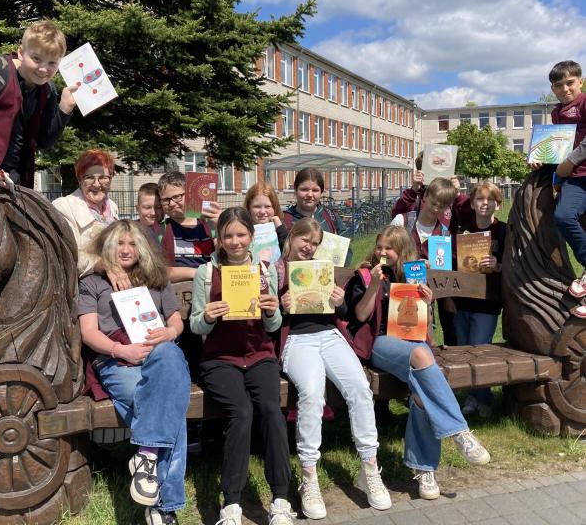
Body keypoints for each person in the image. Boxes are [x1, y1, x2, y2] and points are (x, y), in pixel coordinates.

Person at [344, 226, 491, 501]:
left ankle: (424, 470)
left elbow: (426, 336)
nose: (382, 252)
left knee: (422, 392)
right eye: (379, 247)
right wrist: (374, 285)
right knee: (423, 358)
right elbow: (361, 317)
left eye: (389, 248)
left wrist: (427, 303)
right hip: (379, 343)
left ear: (402, 251)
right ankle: (459, 432)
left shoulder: (412, 276)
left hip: (412, 343)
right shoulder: (364, 275)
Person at [78, 220, 190, 525]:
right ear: (108, 246)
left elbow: (176, 319)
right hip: (116, 360)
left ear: (142, 247)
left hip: (159, 356)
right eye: (119, 243)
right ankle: (163, 505)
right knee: (171, 408)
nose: (126, 250)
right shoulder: (92, 282)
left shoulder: (156, 279)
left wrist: (170, 332)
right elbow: (88, 332)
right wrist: (120, 351)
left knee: (169, 355)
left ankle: (147, 457)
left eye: (132, 244)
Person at [278, 218, 391, 519]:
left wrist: (339, 302)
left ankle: (369, 468)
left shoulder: (320, 268)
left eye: (314, 243)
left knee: (360, 388)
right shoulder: (276, 269)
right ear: (292, 238)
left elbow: (340, 313)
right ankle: (309, 476)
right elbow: (266, 320)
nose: (309, 247)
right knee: (312, 394)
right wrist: (280, 304)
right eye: (304, 240)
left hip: (328, 336)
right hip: (298, 341)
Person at [189, 207, 295, 525]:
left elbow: (274, 326)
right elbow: (196, 326)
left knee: (272, 410)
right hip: (221, 360)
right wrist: (208, 315)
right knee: (241, 412)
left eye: (241, 235)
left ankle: (280, 499)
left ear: (251, 236)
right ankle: (231, 503)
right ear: (219, 238)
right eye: (228, 235)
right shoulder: (206, 274)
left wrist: (271, 310)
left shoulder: (265, 270)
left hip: (259, 355)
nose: (235, 242)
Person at [0, 19, 77, 188]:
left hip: (15, 183)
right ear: (21, 52)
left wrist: (65, 109)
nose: (43, 69)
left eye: (52, 63)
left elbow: (43, 141)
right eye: (36, 59)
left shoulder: (48, 91)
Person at [532, 61, 586, 317]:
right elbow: (556, 147)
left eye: (569, 83)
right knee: (563, 216)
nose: (564, 89)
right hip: (574, 180)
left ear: (580, 82)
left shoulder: (585, 103)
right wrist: (539, 156)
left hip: (576, 170)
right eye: (558, 85)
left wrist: (570, 161)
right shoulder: (556, 114)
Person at [454, 181, 506, 417]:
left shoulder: (504, 231)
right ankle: (473, 396)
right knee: (466, 351)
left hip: (488, 301)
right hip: (462, 299)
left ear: (498, 203)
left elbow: (515, 266)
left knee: (480, 349)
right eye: (480, 199)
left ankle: (484, 398)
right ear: (472, 203)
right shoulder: (462, 230)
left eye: (490, 199)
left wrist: (498, 265)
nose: (485, 203)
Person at [390, 177, 458, 345]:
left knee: (426, 343)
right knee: (397, 341)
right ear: (425, 196)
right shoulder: (402, 221)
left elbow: (443, 272)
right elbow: (382, 254)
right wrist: (413, 261)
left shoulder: (444, 233)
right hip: (395, 292)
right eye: (434, 203)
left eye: (442, 206)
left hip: (426, 299)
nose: (436, 209)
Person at [53, 149, 131, 288]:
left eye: (103, 177)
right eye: (89, 177)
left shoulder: (112, 207)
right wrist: (100, 264)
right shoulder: (64, 206)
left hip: (118, 280)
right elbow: (66, 255)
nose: (96, 184)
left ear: (111, 178)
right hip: (82, 287)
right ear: (79, 179)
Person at [158, 170, 221, 283]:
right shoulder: (161, 230)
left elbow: (226, 258)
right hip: (178, 293)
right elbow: (160, 271)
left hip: (209, 291)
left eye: (177, 197)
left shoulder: (209, 225)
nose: (172, 203)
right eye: (166, 200)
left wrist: (221, 225)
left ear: (189, 194)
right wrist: (198, 273)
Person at [283, 167, 352, 266]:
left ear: (321, 192)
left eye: (315, 190)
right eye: (304, 189)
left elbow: (347, 251)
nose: (310, 194)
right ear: (295, 190)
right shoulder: (285, 220)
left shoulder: (331, 217)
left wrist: (336, 271)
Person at [243, 180, 289, 252]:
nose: (262, 212)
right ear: (249, 208)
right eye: (257, 206)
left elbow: (289, 250)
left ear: (274, 207)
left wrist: (280, 229)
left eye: (267, 206)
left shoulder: (280, 230)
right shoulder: (242, 229)